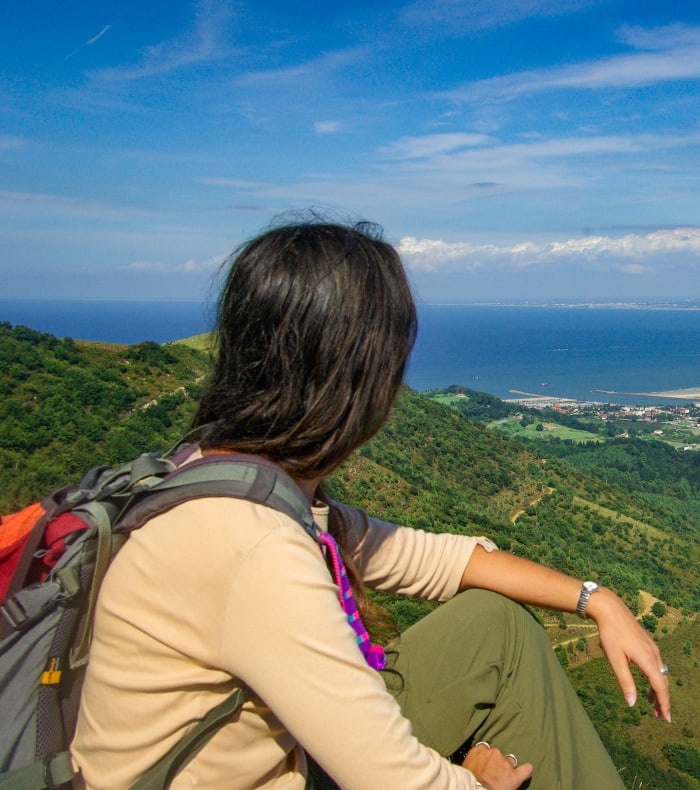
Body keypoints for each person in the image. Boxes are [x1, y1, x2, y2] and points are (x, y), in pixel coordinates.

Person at [71, 219, 671, 790]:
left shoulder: (228, 476)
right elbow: (395, 780)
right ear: (354, 381)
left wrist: (597, 601)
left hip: (257, 754)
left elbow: (431, 558)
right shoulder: (251, 545)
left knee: (498, 625)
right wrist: (479, 781)